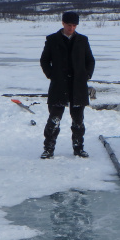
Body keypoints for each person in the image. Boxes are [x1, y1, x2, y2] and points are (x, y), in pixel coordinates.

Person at [39, 11, 95, 159]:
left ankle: (78, 148)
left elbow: (90, 61)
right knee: (54, 120)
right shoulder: (52, 39)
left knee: (78, 121)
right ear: (63, 23)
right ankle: (48, 149)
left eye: (74, 25)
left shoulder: (83, 40)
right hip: (59, 86)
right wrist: (51, 75)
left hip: (77, 86)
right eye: (69, 25)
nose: (71, 28)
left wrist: (86, 75)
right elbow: (44, 60)